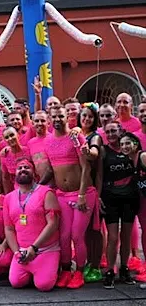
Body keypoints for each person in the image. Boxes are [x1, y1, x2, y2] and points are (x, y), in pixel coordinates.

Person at [41, 105, 96, 289]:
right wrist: (38, 189)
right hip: (61, 195)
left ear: (67, 118)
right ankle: (66, 270)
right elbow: (50, 169)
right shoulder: (47, 142)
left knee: (77, 235)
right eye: (54, 117)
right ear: (50, 119)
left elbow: (86, 167)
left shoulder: (75, 136)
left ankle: (79, 271)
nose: (57, 120)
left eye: (60, 116)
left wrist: (81, 194)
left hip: (82, 193)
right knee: (63, 236)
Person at [4, 158, 61, 292]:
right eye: (20, 168)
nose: (23, 170)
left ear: (34, 172)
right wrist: (16, 252)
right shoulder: (9, 198)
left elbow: (53, 224)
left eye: (27, 167)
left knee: (44, 285)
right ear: (15, 174)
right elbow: (9, 228)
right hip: (23, 252)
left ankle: (52, 268)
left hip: (45, 250)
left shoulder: (46, 192)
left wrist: (34, 247)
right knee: (16, 282)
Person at [99, 125, 139, 288]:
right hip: (111, 198)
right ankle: (110, 270)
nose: (110, 134)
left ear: (120, 131)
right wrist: (98, 196)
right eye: (107, 132)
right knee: (113, 237)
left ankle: (124, 268)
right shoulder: (104, 151)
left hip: (130, 198)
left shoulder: (130, 149)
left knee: (127, 236)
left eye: (113, 131)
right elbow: (100, 175)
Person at [77, 103, 105, 283]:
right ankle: (89, 261)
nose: (86, 119)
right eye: (84, 115)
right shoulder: (76, 134)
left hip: (93, 189)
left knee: (95, 230)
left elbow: (94, 152)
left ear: (95, 120)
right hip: (79, 188)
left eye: (90, 117)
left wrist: (99, 195)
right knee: (85, 231)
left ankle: (95, 265)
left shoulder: (95, 137)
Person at [122, 132, 146, 283]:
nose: (124, 146)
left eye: (128, 143)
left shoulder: (143, 156)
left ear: (135, 144)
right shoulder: (131, 161)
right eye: (122, 144)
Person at [0, 127, 31, 193]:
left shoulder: (28, 150)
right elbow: (6, 178)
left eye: (12, 135)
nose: (10, 139)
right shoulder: (4, 156)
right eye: (7, 137)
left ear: (17, 135)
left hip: (32, 188)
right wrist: (8, 195)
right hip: (17, 191)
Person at [27, 111, 52, 182]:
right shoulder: (30, 143)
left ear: (49, 123)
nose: (40, 123)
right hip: (39, 184)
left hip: (55, 185)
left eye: (43, 121)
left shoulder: (53, 139)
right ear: (32, 123)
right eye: (37, 121)